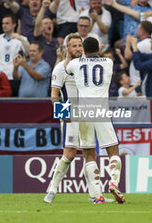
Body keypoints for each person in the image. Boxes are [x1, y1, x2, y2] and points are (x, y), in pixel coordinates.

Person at [66, 37, 125, 204]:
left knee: (89, 154)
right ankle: (113, 182)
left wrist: (69, 53)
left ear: (83, 50)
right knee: (113, 151)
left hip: (83, 112)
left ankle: (97, 195)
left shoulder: (75, 64)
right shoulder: (108, 62)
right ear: (99, 50)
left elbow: (67, 67)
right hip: (101, 110)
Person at [44, 33, 99, 203]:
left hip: (88, 114)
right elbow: (54, 94)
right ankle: (52, 189)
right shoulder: (60, 68)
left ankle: (95, 195)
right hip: (70, 114)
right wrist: (62, 113)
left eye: (80, 45)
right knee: (69, 154)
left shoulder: (88, 66)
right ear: (67, 48)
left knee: (91, 153)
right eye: (74, 46)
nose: (77, 49)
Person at [0, 14, 29, 96]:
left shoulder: (22, 39)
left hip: (14, 76)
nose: (4, 25)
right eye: (3, 23)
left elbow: (28, 53)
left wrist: (20, 38)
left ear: (14, 25)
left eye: (7, 23)